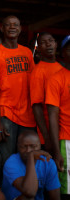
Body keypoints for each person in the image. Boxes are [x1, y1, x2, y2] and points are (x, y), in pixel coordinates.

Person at [0, 15, 36, 164]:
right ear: (2, 28)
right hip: (6, 113)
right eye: (8, 25)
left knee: (28, 159)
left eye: (16, 24)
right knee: (6, 160)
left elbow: (33, 83)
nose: (12, 27)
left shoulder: (27, 52)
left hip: (28, 115)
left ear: (20, 29)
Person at [2, 130, 60, 200]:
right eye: (24, 146)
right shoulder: (11, 163)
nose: (28, 150)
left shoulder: (48, 163)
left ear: (40, 147)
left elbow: (55, 197)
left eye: (33, 146)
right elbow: (29, 192)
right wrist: (31, 156)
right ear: (18, 147)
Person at [46, 35, 70, 199]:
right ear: (63, 53)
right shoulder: (57, 79)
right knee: (67, 189)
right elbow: (52, 116)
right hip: (67, 140)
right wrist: (56, 151)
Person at [30, 32, 62, 151]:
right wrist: (46, 137)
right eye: (43, 43)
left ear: (56, 44)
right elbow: (36, 106)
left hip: (63, 130)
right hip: (49, 134)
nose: (48, 44)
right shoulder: (38, 72)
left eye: (50, 40)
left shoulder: (61, 67)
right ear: (37, 49)